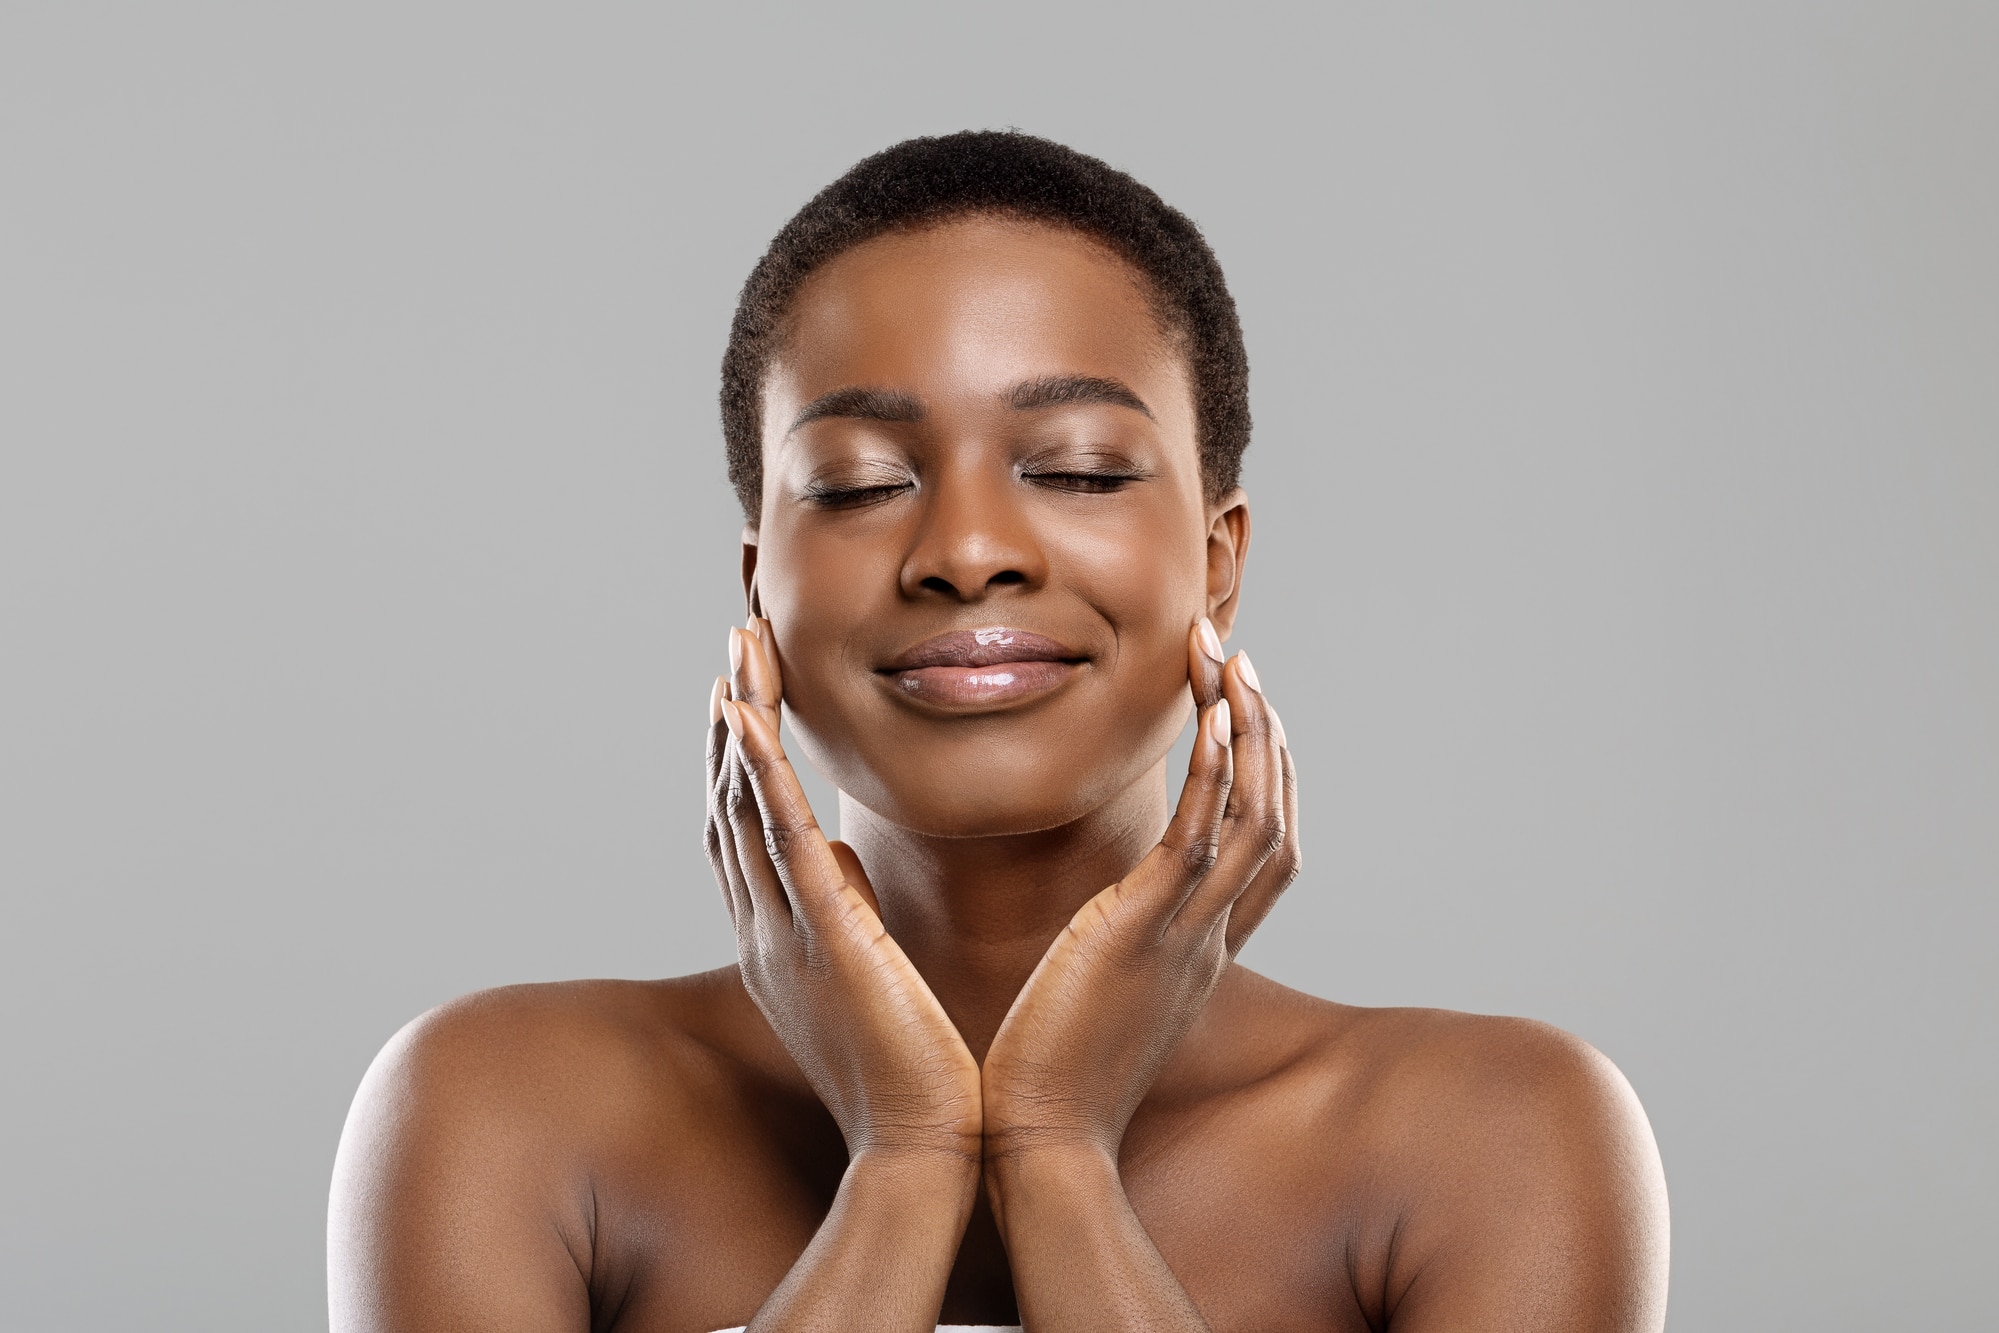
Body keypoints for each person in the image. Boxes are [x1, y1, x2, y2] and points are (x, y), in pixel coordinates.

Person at [328, 130, 1669, 1332]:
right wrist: (906, 1165)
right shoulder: (500, 1116)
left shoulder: (1496, 1141)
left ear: (1218, 559)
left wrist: (1057, 1152)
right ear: (761, 589)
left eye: (1077, 468)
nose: (967, 551)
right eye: (859, 485)